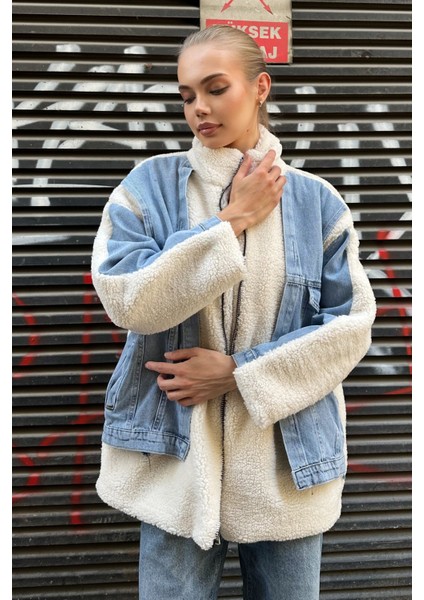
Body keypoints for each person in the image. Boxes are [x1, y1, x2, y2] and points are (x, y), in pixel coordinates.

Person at [91, 24, 376, 600]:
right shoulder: (148, 187)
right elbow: (127, 300)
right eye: (187, 95)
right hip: (173, 466)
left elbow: (350, 328)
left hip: (285, 464)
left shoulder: (316, 202)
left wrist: (238, 373)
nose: (199, 107)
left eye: (216, 88)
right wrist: (232, 221)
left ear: (260, 87)